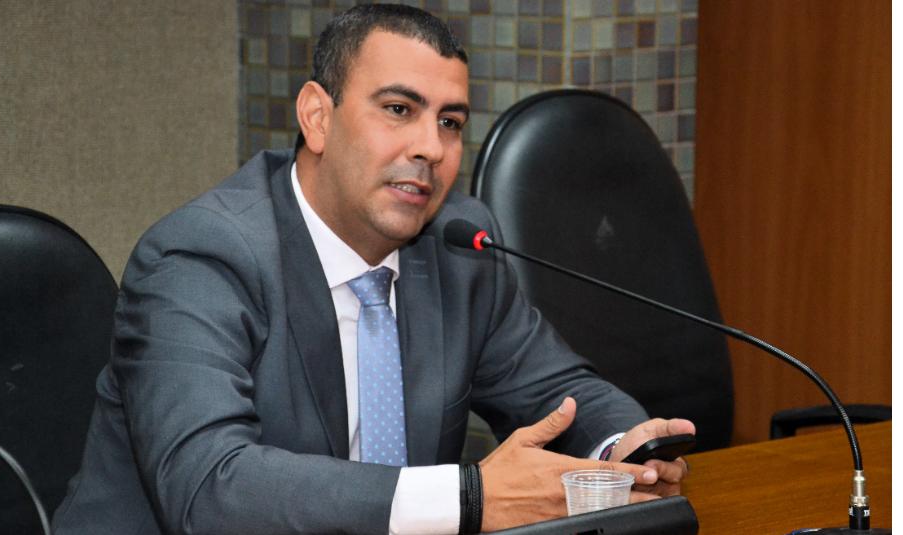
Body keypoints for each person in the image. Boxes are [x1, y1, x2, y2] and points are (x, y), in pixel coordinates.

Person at [53, 5, 693, 534]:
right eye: (398, 109)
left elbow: (562, 395)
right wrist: (468, 497)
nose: (430, 148)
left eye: (450, 122)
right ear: (317, 117)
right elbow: (208, 489)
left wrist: (621, 456)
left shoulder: (457, 246)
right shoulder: (201, 256)